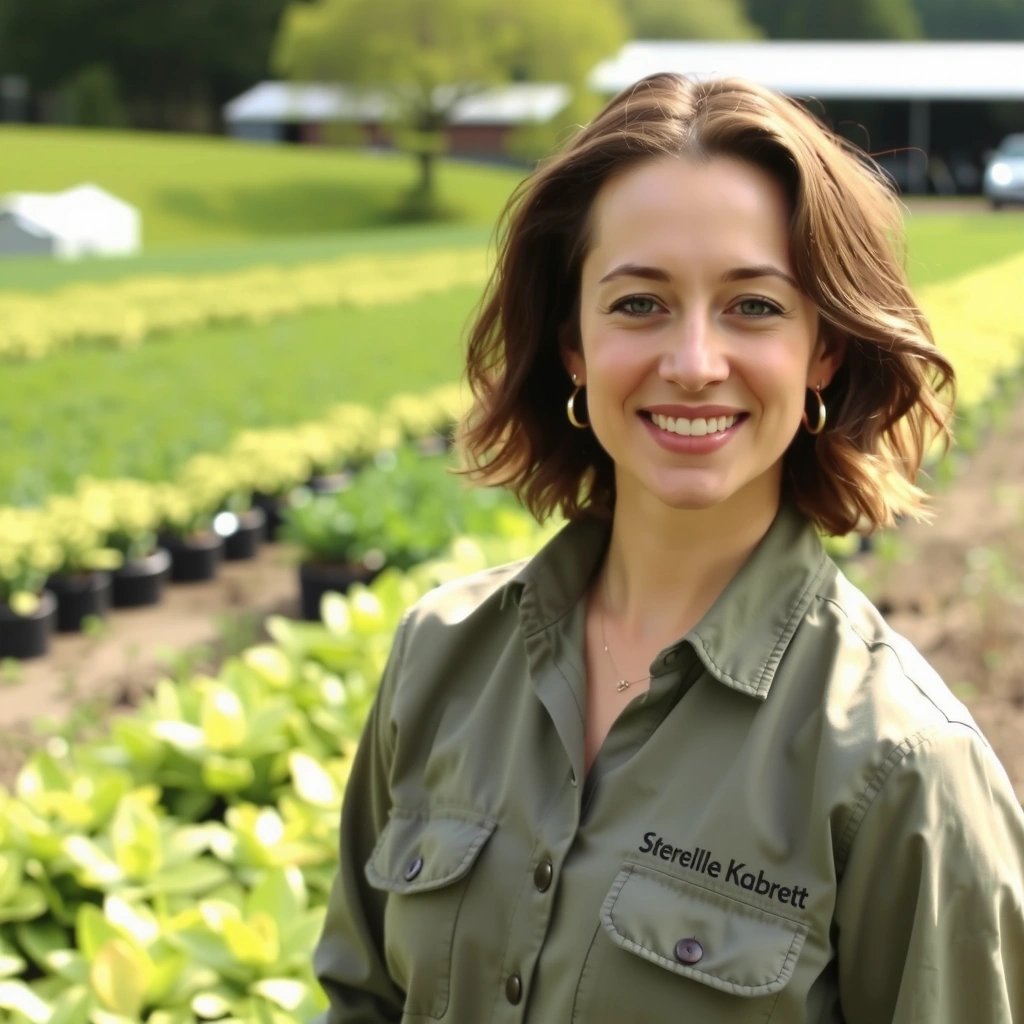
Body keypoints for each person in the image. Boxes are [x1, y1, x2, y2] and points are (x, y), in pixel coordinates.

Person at [311, 73, 1024, 1023]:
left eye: (754, 306)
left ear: (825, 350)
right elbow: (362, 997)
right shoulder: (440, 659)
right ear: (573, 342)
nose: (692, 363)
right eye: (639, 304)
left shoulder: (904, 768)